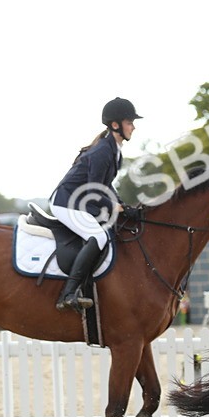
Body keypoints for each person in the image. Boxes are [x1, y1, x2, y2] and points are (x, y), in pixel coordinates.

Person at [49, 97, 141, 311]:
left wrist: (122, 205)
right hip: (66, 203)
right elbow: (94, 189)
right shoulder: (102, 152)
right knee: (98, 237)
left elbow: (106, 185)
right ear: (115, 125)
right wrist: (113, 207)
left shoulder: (113, 150)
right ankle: (68, 293)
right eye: (130, 122)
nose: (134, 127)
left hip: (80, 201)